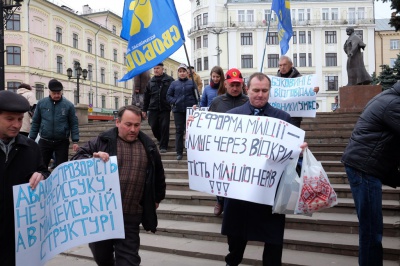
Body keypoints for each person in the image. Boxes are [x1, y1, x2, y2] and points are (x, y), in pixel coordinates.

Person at [222, 72, 307, 266]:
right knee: (235, 245)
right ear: (247, 90)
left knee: (273, 246)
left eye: (264, 90)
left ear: (270, 92)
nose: (260, 94)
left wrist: (298, 154)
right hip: (239, 195)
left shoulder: (283, 118)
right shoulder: (231, 118)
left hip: (270, 195)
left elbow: (292, 161)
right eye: (256, 90)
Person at [71, 105, 166, 266]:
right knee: (103, 258)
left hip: (130, 216)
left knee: (129, 260)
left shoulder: (148, 146)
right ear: (117, 122)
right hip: (101, 215)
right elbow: (76, 159)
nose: (133, 129)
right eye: (128, 124)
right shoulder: (102, 141)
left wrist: (157, 197)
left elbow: (158, 174)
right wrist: (91, 159)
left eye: (137, 125)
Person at [341, 81, 400, 266]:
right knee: (371, 230)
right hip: (364, 168)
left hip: (366, 165)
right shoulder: (393, 104)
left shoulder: (388, 98)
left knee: (371, 229)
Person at [0, 90, 49, 266]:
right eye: (10, 119)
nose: (16, 124)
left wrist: (42, 176)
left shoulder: (31, 148)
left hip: (20, 238)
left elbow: (43, 172)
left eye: (20, 119)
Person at [208, 68, 249, 216]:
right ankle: (220, 200)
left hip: (243, 149)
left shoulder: (248, 101)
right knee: (221, 176)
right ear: (225, 84)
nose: (235, 88)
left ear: (242, 84)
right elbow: (208, 125)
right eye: (232, 85)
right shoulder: (217, 102)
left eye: (238, 85)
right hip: (222, 149)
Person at [29, 78, 80, 168]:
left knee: (62, 167)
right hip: (45, 140)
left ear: (61, 92)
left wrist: (75, 141)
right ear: (49, 92)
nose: (57, 95)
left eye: (59, 93)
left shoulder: (68, 105)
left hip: (62, 142)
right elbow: (36, 122)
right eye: (54, 93)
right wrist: (31, 139)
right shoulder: (41, 103)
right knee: (41, 166)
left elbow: (74, 123)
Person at [276, 55, 319, 128]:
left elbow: (306, 94)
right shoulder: (275, 80)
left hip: (294, 117)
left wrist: (314, 91)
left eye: (285, 65)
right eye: (280, 65)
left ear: (291, 64)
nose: (282, 67)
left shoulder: (301, 80)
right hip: (279, 116)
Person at [167, 63, 198, 160]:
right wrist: (174, 102)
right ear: (178, 73)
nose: (182, 73)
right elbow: (168, 96)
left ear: (187, 72)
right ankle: (179, 152)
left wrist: (196, 105)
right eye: (180, 71)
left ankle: (190, 149)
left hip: (190, 111)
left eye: (184, 71)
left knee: (190, 131)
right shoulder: (174, 84)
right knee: (179, 131)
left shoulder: (192, 82)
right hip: (178, 111)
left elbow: (197, 96)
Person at [142, 62, 174, 153]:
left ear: (162, 69)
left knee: (164, 127)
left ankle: (163, 146)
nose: (156, 70)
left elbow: (174, 92)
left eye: (157, 68)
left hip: (165, 108)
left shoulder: (170, 80)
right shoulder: (150, 82)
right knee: (153, 126)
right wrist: (144, 109)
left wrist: (173, 103)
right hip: (153, 108)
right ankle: (161, 140)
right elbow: (146, 97)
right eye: (154, 68)